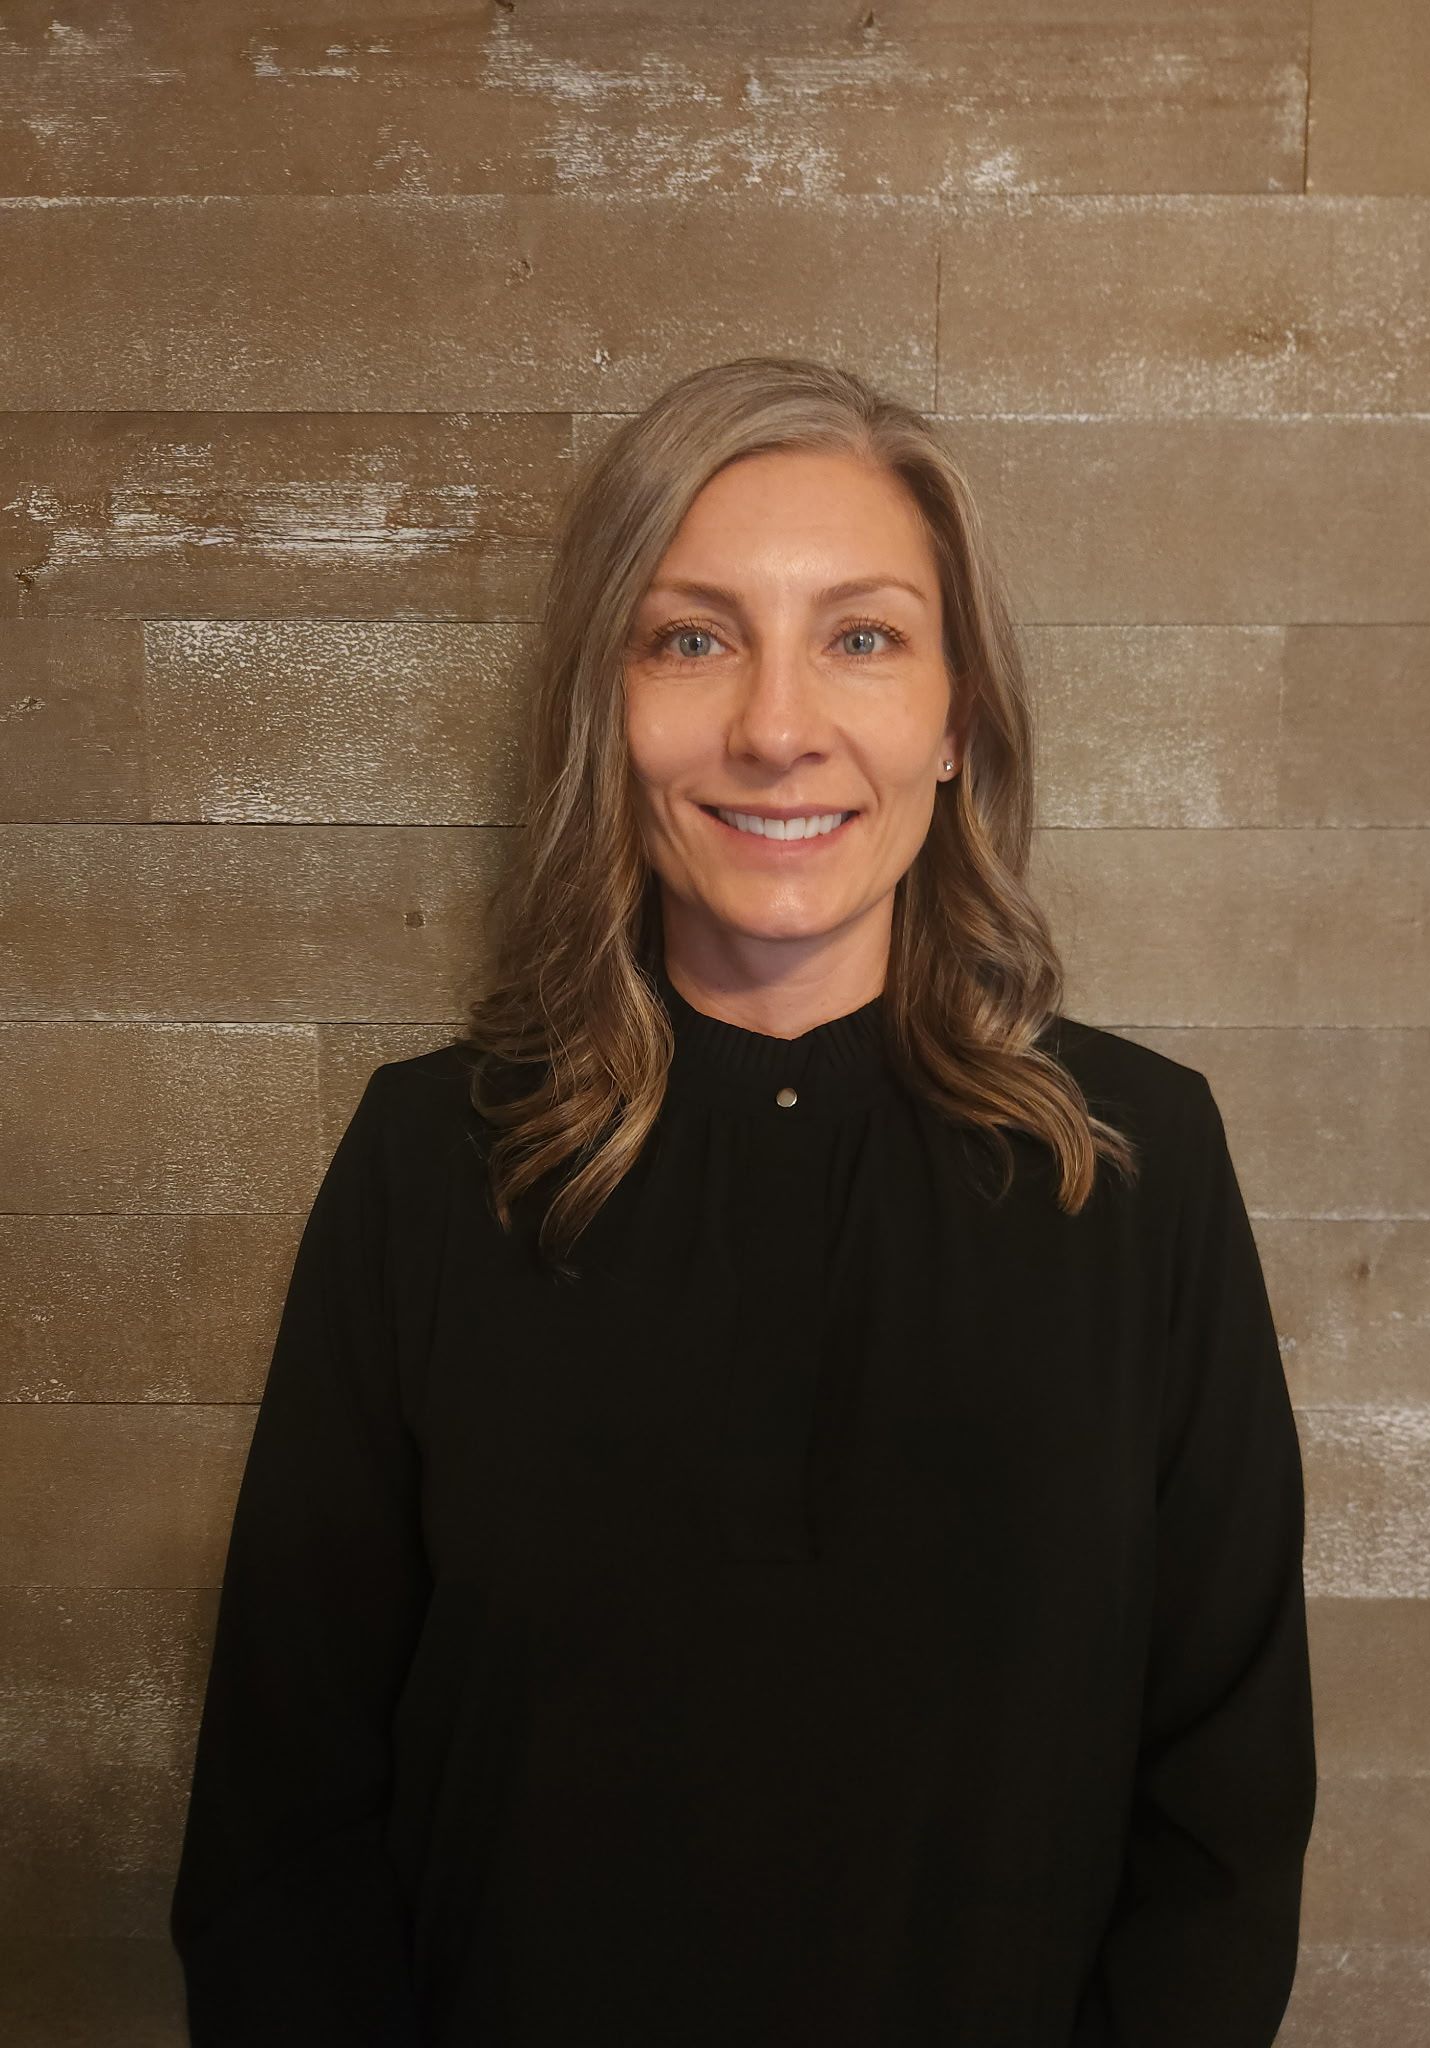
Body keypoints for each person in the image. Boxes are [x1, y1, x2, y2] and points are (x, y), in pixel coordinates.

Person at [168, 356, 1316, 2046]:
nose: (778, 729)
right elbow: (285, 1824)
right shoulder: (430, 1162)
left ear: (958, 721)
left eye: (863, 638)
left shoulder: (1142, 1164)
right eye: (693, 639)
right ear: (606, 708)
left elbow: (1223, 1812)